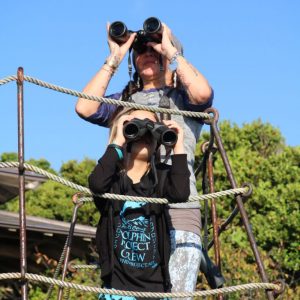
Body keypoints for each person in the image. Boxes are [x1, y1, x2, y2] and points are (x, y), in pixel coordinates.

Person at [76, 20, 214, 296]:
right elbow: (85, 106)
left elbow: (203, 94)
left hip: (179, 210)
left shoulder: (182, 97)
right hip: (130, 212)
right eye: (139, 49)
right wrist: (115, 58)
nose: (147, 52)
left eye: (154, 47)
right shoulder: (125, 100)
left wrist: (171, 51)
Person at [89, 108, 190, 299]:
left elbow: (180, 193)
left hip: (156, 290)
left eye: (151, 127)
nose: (144, 132)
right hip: (118, 289)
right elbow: (97, 184)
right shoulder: (113, 181)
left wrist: (178, 145)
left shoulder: (161, 177)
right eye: (137, 125)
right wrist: (118, 138)